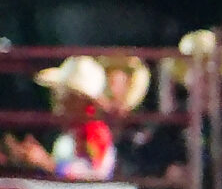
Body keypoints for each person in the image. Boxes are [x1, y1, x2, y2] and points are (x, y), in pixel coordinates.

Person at [3, 54, 146, 179]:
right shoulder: (70, 132)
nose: (57, 99)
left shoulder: (94, 132)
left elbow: (92, 176)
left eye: (63, 93)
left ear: (80, 99)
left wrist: (46, 163)